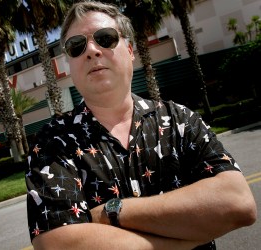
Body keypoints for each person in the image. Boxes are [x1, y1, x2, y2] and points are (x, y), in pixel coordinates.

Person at [25, 1, 257, 249]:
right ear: (70, 64)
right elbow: (58, 245)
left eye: (105, 38)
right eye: (76, 46)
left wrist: (113, 211)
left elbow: (237, 203)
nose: (91, 50)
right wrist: (178, 244)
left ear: (130, 49)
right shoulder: (52, 144)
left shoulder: (179, 119)